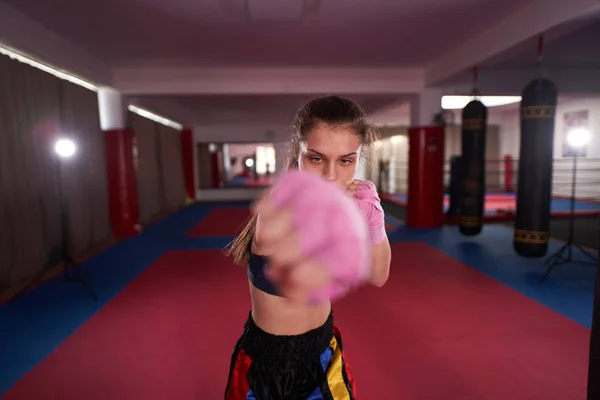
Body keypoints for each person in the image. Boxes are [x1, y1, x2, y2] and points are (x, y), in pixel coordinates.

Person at [224, 96, 392, 400]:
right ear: (297, 152)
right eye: (316, 158)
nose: (330, 175)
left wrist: (373, 218)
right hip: (266, 368)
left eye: (346, 160)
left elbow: (379, 276)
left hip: (323, 355)